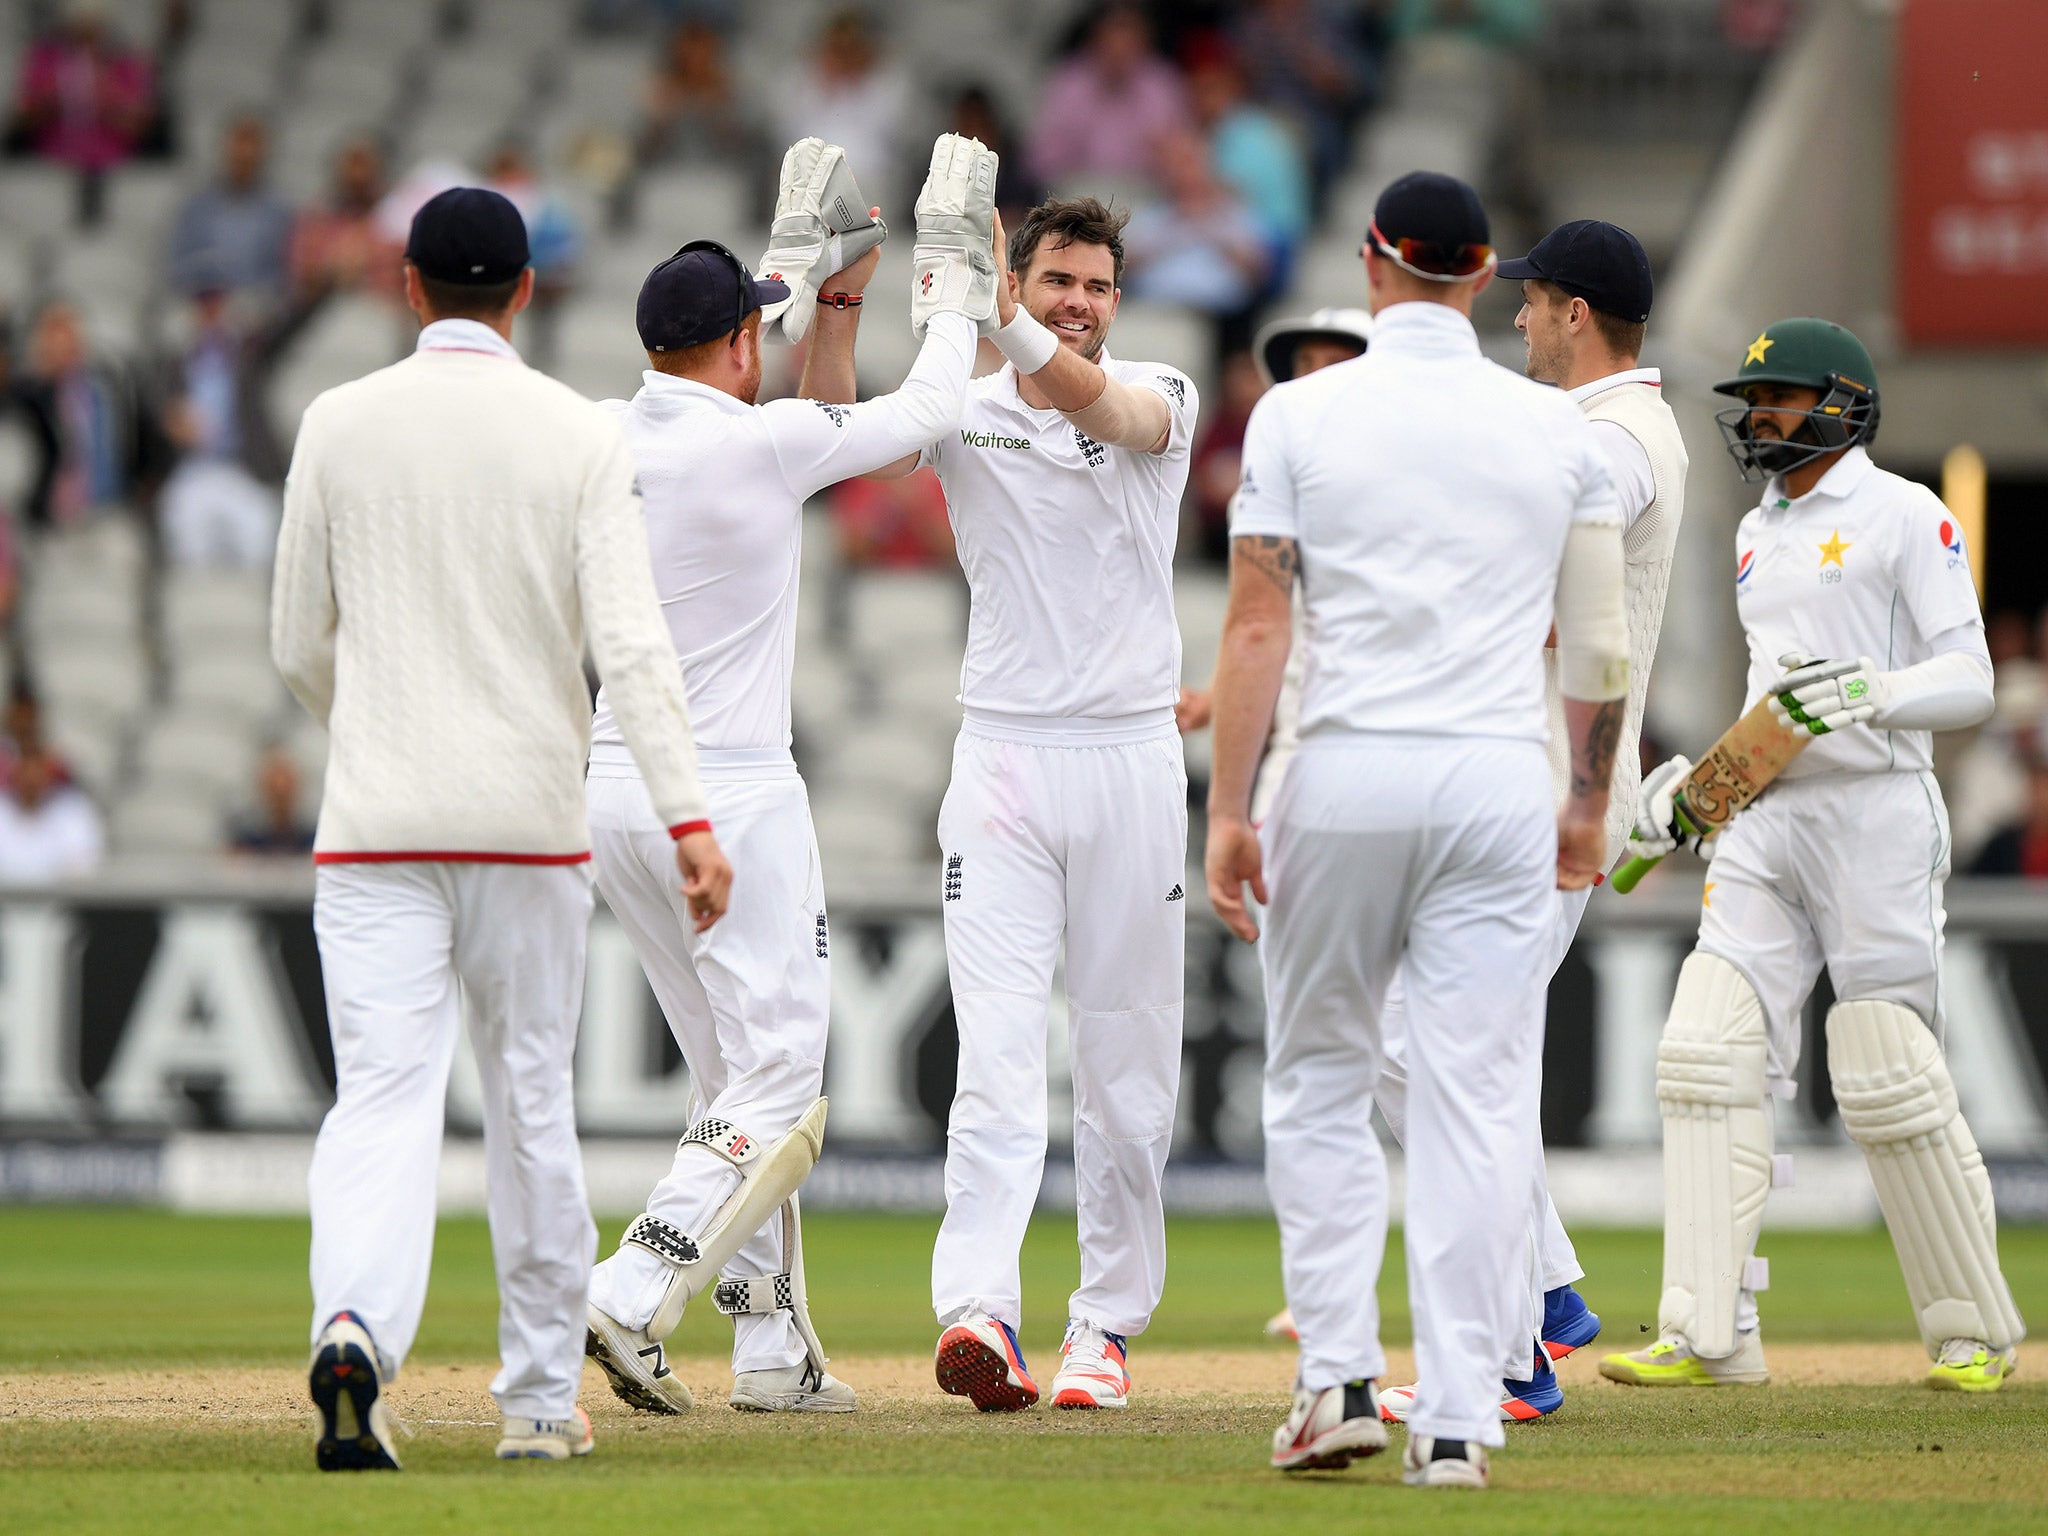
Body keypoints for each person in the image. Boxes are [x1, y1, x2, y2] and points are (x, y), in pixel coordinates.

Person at [272, 187, 732, 1470]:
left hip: (374, 825)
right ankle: (537, 1402)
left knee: (380, 1101)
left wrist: (369, 727)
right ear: (526, 292)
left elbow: (291, 641)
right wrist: (690, 819)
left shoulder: (337, 422)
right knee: (531, 1106)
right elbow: (632, 649)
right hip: (530, 825)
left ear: (408, 288)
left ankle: (355, 1329)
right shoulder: (573, 433)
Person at [1205, 172, 1628, 1489]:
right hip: (1502, 778)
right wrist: (1588, 799)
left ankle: (1335, 1381)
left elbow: (1259, 624)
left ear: (1375, 267)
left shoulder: (1298, 412)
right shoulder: (1561, 432)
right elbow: (1602, 644)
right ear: (1484, 273)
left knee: (1323, 1081)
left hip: (1345, 774)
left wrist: (1228, 806)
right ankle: (1456, 1411)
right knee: (1476, 1100)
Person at [580, 137, 982, 1418]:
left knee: (728, 1084)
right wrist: (958, 279)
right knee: (778, 1085)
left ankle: (770, 1349)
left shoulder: (606, 431)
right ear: (737, 349)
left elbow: (749, 347)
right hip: (731, 797)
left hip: (613, 791)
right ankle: (634, 1289)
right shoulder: (752, 447)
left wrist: (810, 272)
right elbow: (921, 415)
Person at [1600, 318, 2026, 1394]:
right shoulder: (1755, 529)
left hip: (1878, 813)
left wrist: (1877, 695)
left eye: (1775, 399)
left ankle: (1970, 1330)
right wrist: (1702, 797)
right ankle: (1706, 1329)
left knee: (1885, 1068)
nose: (1756, 418)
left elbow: (1968, 676)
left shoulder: (1903, 513)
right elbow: (1769, 699)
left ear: (1839, 400)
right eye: (1750, 402)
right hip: (1772, 817)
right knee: (1702, 1050)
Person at [857, 195, 1200, 1413]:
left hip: (1127, 762)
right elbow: (837, 434)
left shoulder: (1160, 388)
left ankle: (1102, 1330)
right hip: (1001, 758)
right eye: (1058, 280)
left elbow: (1102, 407)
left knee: (1125, 1064)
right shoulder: (963, 400)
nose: (1078, 303)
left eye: (1096, 286)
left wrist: (1000, 314)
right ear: (1030, 277)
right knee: (997, 1059)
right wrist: (843, 291)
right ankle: (980, 1316)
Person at [1358, 218, 1688, 1426]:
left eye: (1533, 302)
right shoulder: (1587, 429)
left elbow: (1537, 589)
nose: (1517, 319)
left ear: (1575, 315)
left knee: (1434, 1056)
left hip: (1545, 793)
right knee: (1440, 1055)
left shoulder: (1621, 438)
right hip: (1519, 786)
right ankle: (1536, 1295)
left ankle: (1512, 1349)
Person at [1028, 5, 1192, 191]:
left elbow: (1182, 155)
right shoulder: (1067, 83)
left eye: (1130, 43)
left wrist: (1162, 154)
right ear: (1096, 41)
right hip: (1077, 190)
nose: (1120, 51)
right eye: (1113, 41)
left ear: (1145, 42)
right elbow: (1040, 157)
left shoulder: (1162, 84)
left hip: (1148, 192)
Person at [168, 114, 296, 300]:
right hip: (200, 303)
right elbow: (180, 265)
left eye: (251, 152)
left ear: (263, 155)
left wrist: (247, 300)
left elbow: (282, 273)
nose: (244, 156)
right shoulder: (196, 208)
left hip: (258, 307)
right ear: (225, 150)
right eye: (238, 151)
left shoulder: (279, 213)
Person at [289, 137, 401, 299]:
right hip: (325, 310)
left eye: (364, 164)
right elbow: (301, 277)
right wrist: (333, 269)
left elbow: (407, 281)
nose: (358, 175)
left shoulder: (400, 218)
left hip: (381, 309)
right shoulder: (316, 221)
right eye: (352, 164)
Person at [0, 706, 101, 885]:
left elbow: (84, 868)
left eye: (37, 770)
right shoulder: (3, 810)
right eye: (25, 770)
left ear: (48, 774)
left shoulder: (73, 810)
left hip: (60, 907)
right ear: (15, 774)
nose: (31, 780)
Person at [227, 743, 316, 855]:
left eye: (286, 788)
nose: (280, 792)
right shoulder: (244, 835)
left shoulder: (314, 838)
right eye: (273, 789)